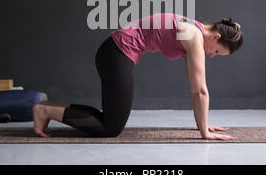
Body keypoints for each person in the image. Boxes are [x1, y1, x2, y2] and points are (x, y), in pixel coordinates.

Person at [32, 13, 244, 140]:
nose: (211, 55)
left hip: (115, 53)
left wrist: (202, 124)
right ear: (215, 36)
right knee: (111, 127)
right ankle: (45, 111)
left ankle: (48, 110)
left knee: (110, 121)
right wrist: (205, 133)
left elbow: (196, 86)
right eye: (217, 51)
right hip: (116, 53)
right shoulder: (193, 34)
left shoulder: (192, 29)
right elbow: (200, 90)